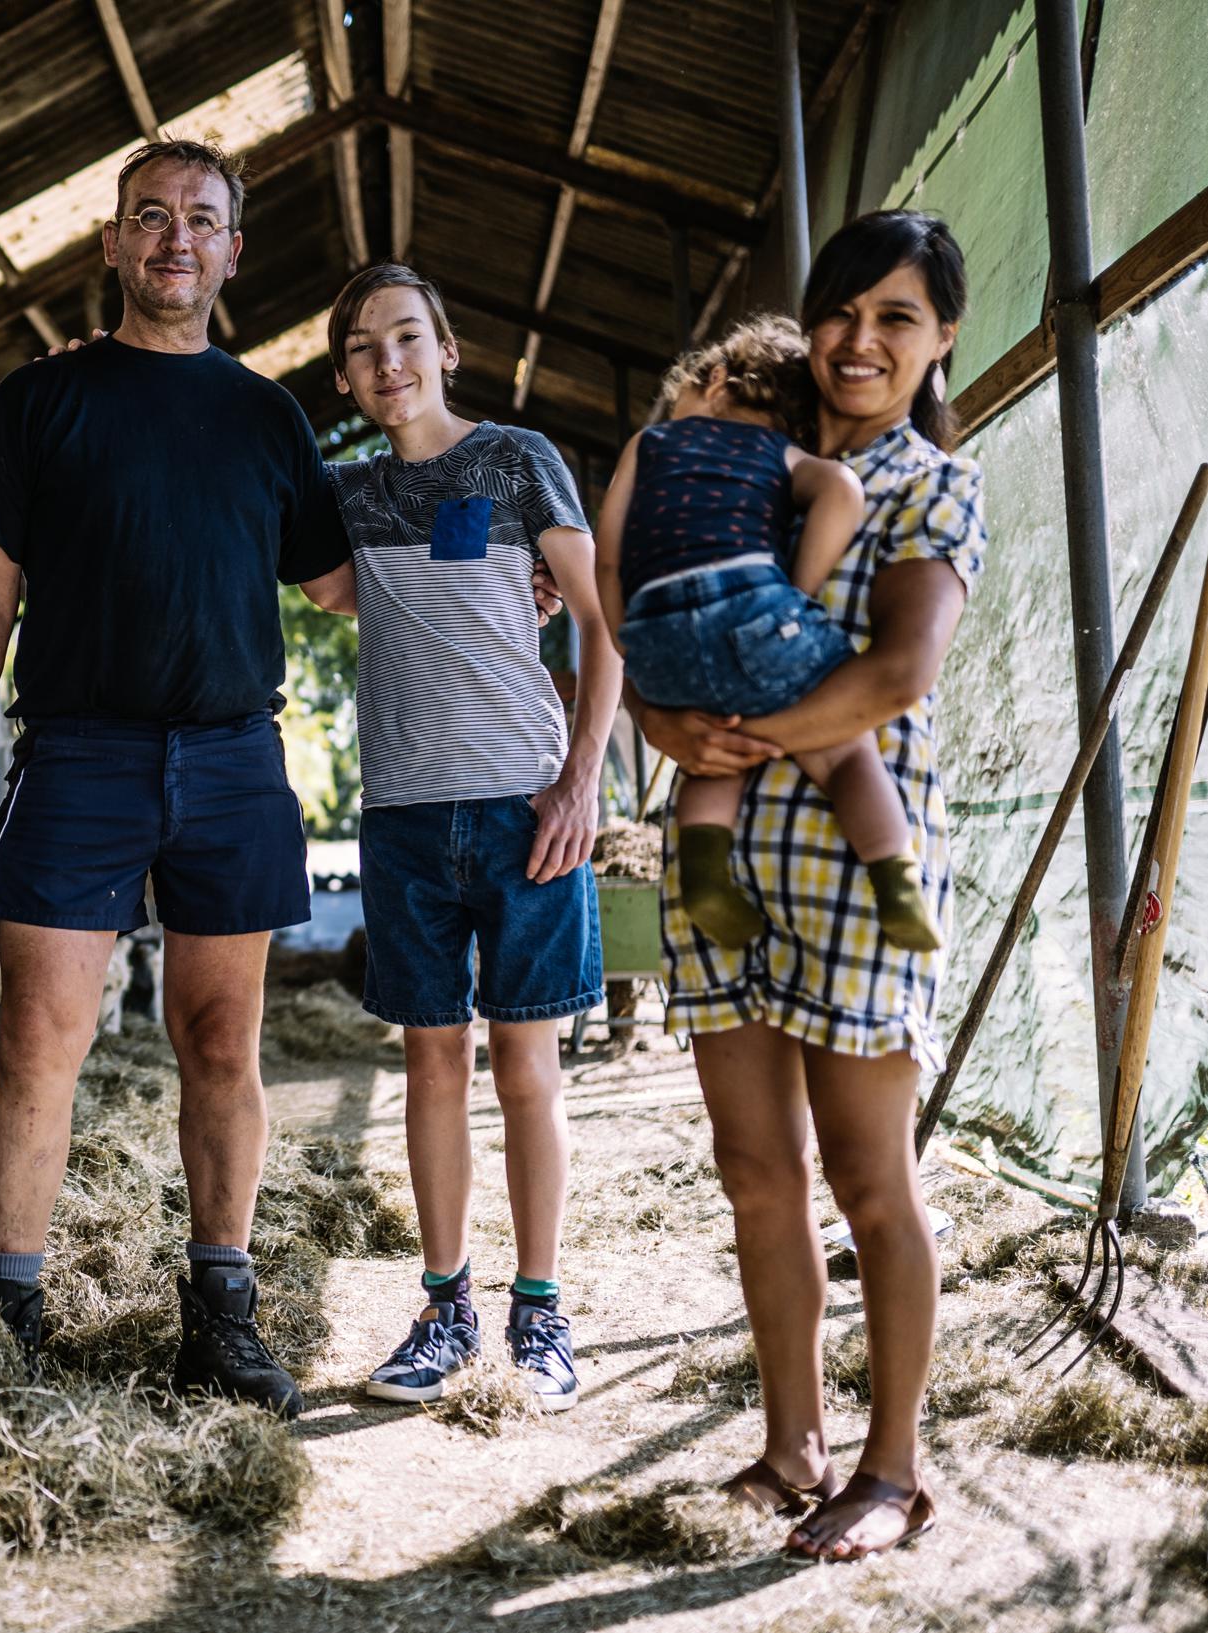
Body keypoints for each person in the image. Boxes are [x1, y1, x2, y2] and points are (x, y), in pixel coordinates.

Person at [0, 139, 352, 1418]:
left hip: (231, 758)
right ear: (110, 245)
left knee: (223, 1044)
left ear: (231, 252)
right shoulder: (42, 404)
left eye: (201, 220)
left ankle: (218, 1318)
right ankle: (9, 1317)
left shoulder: (269, 416)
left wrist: (501, 572)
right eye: (149, 218)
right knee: (37, 1042)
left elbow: (341, 582)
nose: (176, 238)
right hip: (80, 754)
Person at [633, 211, 982, 1560]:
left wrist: (744, 738)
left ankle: (891, 1472)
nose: (860, 341)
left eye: (897, 318)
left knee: (867, 1174)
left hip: (850, 864)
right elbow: (644, 619)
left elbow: (899, 673)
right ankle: (790, 1447)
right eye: (842, 312)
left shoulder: (925, 488)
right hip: (725, 857)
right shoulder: (737, 466)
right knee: (751, 1167)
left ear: (939, 339)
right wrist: (670, 733)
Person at [296, 263, 621, 1413]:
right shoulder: (343, 494)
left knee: (527, 1065)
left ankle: (541, 1315)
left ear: (447, 349)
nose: (388, 362)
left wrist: (582, 782)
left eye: (406, 338)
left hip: (524, 804)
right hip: (400, 819)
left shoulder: (516, 459)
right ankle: (445, 1309)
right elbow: (333, 592)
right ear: (342, 375)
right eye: (363, 349)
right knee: (430, 1062)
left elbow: (598, 618)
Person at [594, 318, 935, 955]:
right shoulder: (773, 452)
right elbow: (841, 489)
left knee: (712, 745)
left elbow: (607, 559)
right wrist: (796, 593)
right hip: (751, 609)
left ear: (716, 378)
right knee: (845, 750)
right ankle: (896, 875)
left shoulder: (648, 445)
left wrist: (627, 642)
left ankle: (704, 879)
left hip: (652, 636)